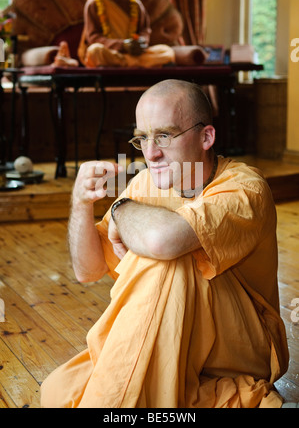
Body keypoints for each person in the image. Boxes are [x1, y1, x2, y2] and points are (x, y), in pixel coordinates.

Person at [40, 79, 289, 408]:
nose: (151, 152)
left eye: (164, 136)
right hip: (173, 341)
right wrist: (81, 203)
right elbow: (88, 270)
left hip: (239, 348)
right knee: (58, 390)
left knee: (169, 259)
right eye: (142, 138)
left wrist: (118, 211)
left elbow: (163, 241)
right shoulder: (146, 183)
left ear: (206, 137)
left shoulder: (246, 188)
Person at [77, 0, 175, 68]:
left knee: (166, 52)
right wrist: (122, 45)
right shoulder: (94, 3)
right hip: (111, 52)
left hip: (135, 54)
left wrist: (140, 43)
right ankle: (133, 65)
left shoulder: (136, 4)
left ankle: (126, 64)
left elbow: (145, 30)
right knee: (95, 51)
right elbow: (93, 37)